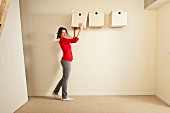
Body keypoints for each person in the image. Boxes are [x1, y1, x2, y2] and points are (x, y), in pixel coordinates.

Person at [52, 23, 83, 101]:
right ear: (60, 33)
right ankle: (64, 96)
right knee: (66, 79)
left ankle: (55, 92)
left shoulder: (64, 40)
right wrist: (81, 29)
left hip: (66, 61)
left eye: (65, 32)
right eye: (62, 32)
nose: (64, 33)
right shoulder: (63, 39)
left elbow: (73, 38)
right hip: (66, 61)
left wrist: (75, 31)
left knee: (64, 78)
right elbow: (75, 40)